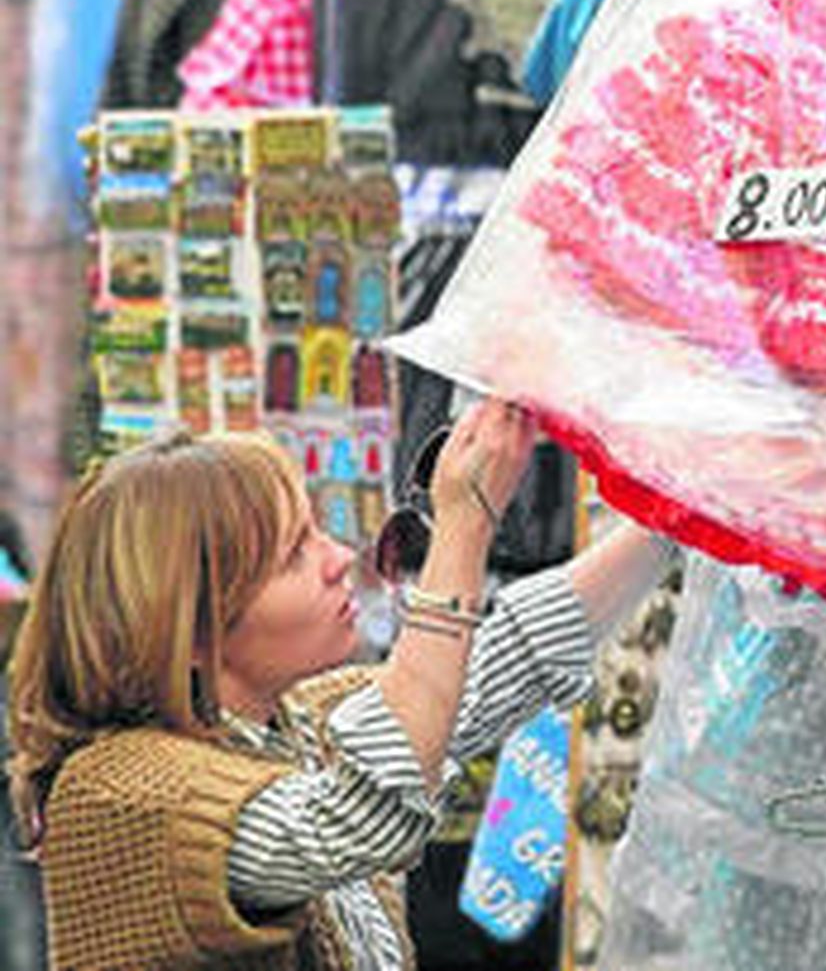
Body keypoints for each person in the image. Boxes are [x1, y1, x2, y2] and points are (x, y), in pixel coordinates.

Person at [5, 399, 675, 969]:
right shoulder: (118, 792)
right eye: (293, 554)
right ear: (193, 628)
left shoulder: (296, 719)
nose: (340, 559)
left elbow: (507, 657)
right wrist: (464, 524)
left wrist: (675, 518)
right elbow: (362, 816)